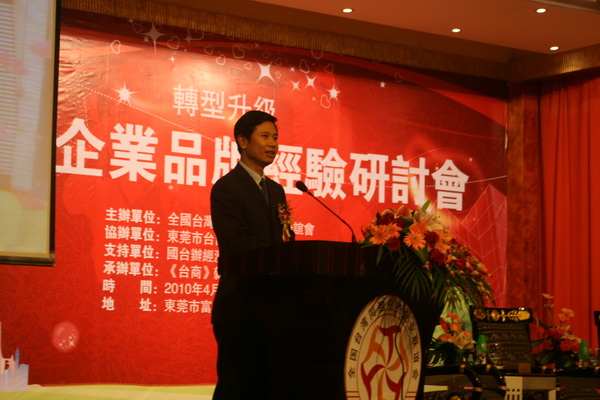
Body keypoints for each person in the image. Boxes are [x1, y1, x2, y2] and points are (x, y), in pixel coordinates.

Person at [210, 110, 293, 400]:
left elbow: (285, 237)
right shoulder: (227, 187)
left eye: (275, 137)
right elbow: (236, 242)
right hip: (239, 304)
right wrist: (277, 256)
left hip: (272, 306)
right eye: (265, 136)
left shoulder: (276, 190)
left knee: (267, 387)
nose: (273, 144)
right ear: (243, 141)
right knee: (236, 387)